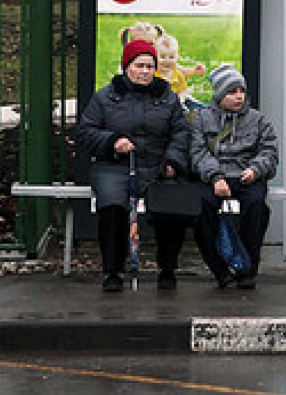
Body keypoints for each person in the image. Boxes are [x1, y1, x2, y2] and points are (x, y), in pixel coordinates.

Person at [75, 39, 196, 291]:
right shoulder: (105, 97)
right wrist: (112, 141)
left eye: (150, 66)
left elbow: (181, 133)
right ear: (127, 67)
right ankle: (112, 271)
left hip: (157, 165)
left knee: (171, 207)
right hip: (115, 166)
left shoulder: (168, 98)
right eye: (139, 65)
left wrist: (173, 161)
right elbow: (86, 132)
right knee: (112, 205)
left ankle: (167, 268)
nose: (144, 72)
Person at [191, 63, 279, 289]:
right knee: (201, 209)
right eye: (232, 92)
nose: (239, 97)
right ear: (220, 94)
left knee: (256, 206)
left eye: (242, 91)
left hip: (246, 175)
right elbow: (198, 153)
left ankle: (248, 268)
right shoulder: (201, 120)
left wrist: (255, 170)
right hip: (215, 177)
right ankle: (220, 269)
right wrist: (215, 177)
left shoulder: (259, 120)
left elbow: (269, 152)